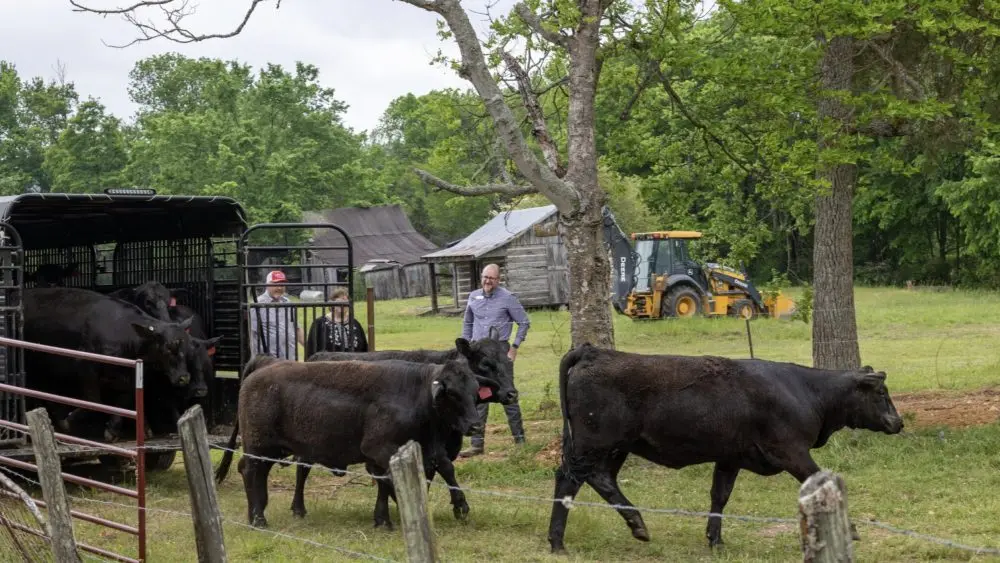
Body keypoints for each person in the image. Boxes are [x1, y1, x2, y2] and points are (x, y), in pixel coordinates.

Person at [459, 263, 530, 458]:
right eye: (485, 277)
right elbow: (467, 323)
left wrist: (514, 347)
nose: (487, 281)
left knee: (507, 394)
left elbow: (524, 322)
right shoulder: (473, 297)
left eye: (491, 278)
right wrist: (465, 349)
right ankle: (477, 444)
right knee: (479, 396)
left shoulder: (508, 298)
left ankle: (520, 441)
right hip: (478, 352)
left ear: (498, 280)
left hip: (499, 352)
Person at [250, 270, 304, 360]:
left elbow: (296, 328)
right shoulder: (258, 304)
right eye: (275, 284)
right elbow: (251, 334)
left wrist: (308, 347)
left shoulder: (288, 302)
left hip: (290, 358)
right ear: (267, 285)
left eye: (282, 284)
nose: (279, 288)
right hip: (269, 361)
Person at [305, 287, 368, 358]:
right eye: (340, 299)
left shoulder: (355, 323)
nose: (343, 303)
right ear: (332, 303)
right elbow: (310, 351)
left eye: (345, 300)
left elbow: (364, 349)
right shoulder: (319, 323)